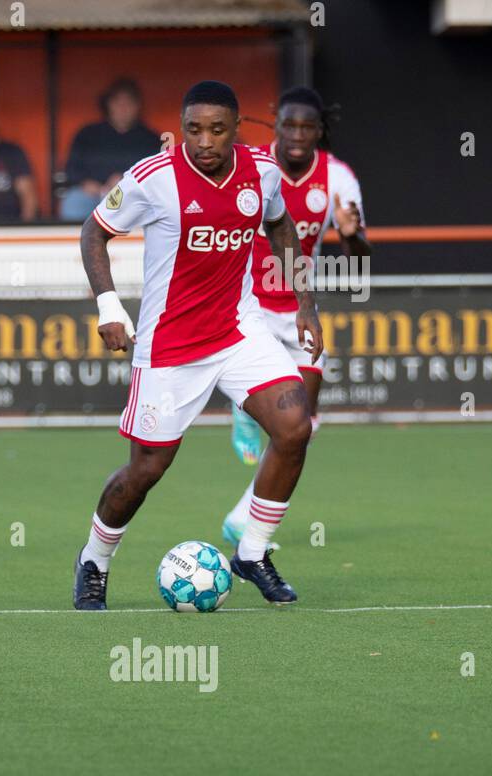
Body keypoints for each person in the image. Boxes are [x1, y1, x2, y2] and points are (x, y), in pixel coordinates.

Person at [74, 80, 321, 610]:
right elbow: (93, 232)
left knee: (295, 425)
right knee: (146, 471)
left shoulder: (263, 171)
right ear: (180, 127)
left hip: (238, 329)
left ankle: (252, 553)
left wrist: (306, 304)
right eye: (193, 129)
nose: (204, 141)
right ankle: (94, 559)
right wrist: (110, 307)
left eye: (216, 130)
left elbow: (280, 228)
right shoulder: (153, 178)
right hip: (169, 346)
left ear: (236, 129)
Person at [221, 86, 370, 544]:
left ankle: (241, 516)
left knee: (304, 424)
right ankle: (244, 407)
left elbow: (360, 248)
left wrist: (350, 234)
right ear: (276, 125)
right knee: (284, 413)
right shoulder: (251, 164)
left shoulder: (338, 178)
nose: (298, 135)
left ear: (320, 130)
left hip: (299, 308)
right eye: (290, 125)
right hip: (248, 304)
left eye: (308, 127)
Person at [60, 78, 162, 222]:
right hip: (92, 195)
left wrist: (126, 184)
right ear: (108, 104)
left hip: (133, 197)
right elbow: (71, 169)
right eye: (117, 102)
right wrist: (87, 184)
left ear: (138, 106)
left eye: (129, 103)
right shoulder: (87, 133)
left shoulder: (150, 138)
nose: (123, 108)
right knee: (74, 201)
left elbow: (159, 177)